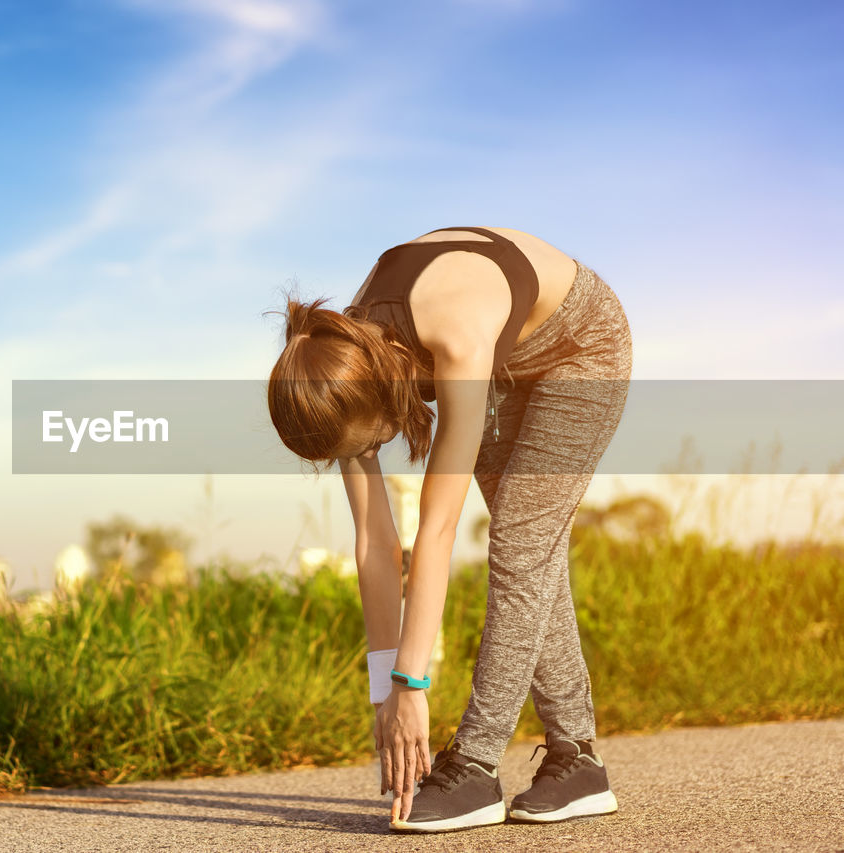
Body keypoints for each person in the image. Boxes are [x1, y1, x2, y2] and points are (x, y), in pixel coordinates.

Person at [266, 226, 632, 833]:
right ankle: (578, 762)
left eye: (376, 441)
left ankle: (476, 766)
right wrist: (384, 690)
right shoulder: (343, 365)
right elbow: (375, 544)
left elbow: (435, 531)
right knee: (531, 550)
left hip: (579, 345)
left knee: (519, 544)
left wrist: (415, 685)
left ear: (385, 396)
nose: (376, 451)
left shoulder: (451, 338)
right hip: (506, 355)